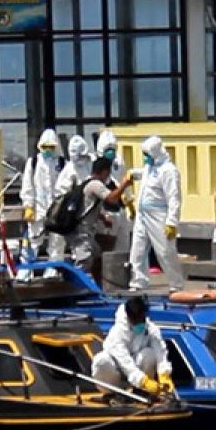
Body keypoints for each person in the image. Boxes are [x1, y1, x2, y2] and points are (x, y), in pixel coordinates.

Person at [129, 136, 184, 293]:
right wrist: (132, 174)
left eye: (147, 154)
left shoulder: (169, 171)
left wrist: (172, 222)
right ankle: (138, 280)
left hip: (158, 214)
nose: (145, 158)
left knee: (165, 251)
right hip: (142, 214)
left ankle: (176, 284)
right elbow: (144, 174)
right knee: (137, 249)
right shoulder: (150, 167)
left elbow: (174, 197)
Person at [90, 297, 173, 401]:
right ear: (129, 317)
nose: (139, 323)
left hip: (137, 370)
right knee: (101, 360)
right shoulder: (117, 333)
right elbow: (126, 364)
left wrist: (164, 374)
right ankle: (111, 394)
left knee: (149, 354)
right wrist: (143, 381)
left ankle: (142, 392)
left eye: (141, 318)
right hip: (118, 370)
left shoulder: (151, 329)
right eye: (136, 320)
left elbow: (160, 351)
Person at [66, 156, 134, 279]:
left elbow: (88, 206)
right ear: (104, 172)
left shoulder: (87, 182)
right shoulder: (95, 184)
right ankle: (73, 287)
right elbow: (112, 199)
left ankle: (97, 286)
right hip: (81, 233)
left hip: (86, 232)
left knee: (98, 257)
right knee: (83, 262)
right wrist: (124, 185)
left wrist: (103, 217)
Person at [20, 129, 60, 253]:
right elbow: (28, 186)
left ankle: (53, 268)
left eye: (51, 147)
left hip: (56, 210)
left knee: (57, 242)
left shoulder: (62, 163)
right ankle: (29, 268)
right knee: (34, 239)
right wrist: (28, 206)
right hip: (38, 208)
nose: (47, 150)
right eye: (45, 146)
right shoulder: (33, 163)